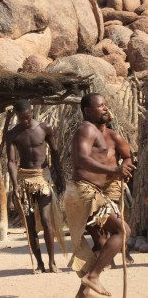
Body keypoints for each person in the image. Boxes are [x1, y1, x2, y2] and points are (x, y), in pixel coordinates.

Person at [64, 93, 135, 297]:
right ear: (87, 111)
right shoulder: (86, 129)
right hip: (84, 192)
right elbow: (82, 160)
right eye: (100, 106)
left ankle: (84, 291)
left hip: (92, 192)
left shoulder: (106, 134)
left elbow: (128, 156)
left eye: (106, 104)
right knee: (123, 231)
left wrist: (123, 169)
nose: (105, 108)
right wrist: (113, 171)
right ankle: (92, 277)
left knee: (104, 243)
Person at [6, 100, 66, 274]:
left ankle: (52, 262)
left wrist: (59, 176)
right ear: (16, 116)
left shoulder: (44, 128)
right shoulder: (13, 134)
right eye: (21, 118)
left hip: (42, 176)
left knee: (47, 221)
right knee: (30, 224)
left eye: (28, 117)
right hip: (24, 177)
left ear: (31, 112)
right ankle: (39, 263)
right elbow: (10, 161)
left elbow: (54, 153)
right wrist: (15, 184)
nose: (25, 121)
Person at [93, 111, 135, 266]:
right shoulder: (85, 138)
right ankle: (107, 256)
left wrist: (122, 169)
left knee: (117, 221)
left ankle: (124, 251)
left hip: (112, 185)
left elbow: (128, 157)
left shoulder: (114, 137)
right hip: (93, 186)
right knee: (98, 223)